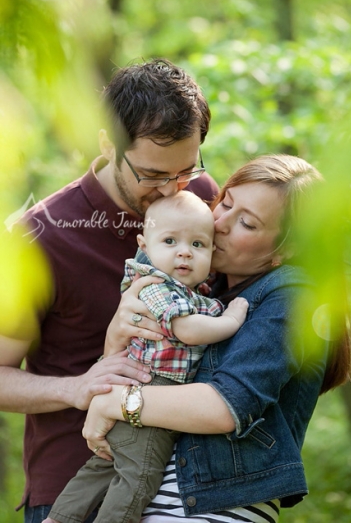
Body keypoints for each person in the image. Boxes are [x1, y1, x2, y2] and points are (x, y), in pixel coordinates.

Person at [65, 154, 351, 522]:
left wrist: (116, 403)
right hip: (145, 491)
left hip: (215, 508)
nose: (219, 224)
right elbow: (130, 365)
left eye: (246, 223)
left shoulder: (292, 295)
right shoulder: (198, 289)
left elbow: (225, 406)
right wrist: (114, 338)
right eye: (225, 204)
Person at [0, 58, 220, 523]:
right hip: (76, 486)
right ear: (107, 144)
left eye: (184, 170)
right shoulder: (38, 240)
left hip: (185, 485)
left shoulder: (197, 193)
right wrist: (78, 388)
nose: (171, 190)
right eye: (151, 175)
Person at [46, 191, 249, 523]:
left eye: (198, 245)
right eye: (170, 241)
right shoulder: (155, 284)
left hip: (135, 391)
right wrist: (232, 320)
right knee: (139, 477)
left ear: (213, 250)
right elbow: (188, 331)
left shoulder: (190, 291)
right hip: (152, 392)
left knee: (102, 467)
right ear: (145, 244)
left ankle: (58, 518)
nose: (184, 251)